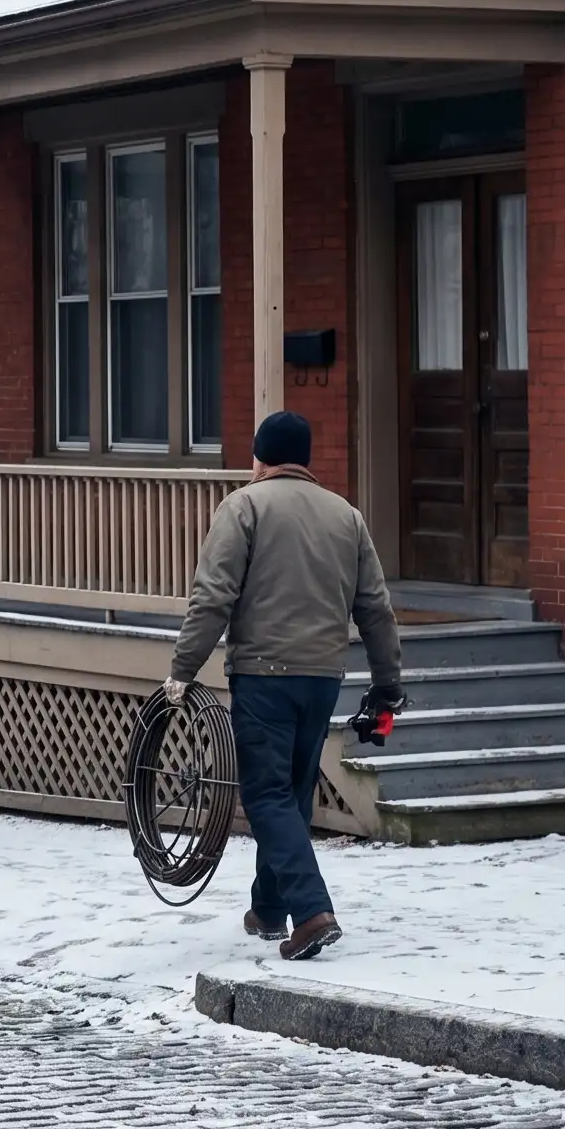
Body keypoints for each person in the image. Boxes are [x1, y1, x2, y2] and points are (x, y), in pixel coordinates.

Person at [165, 412, 404, 961]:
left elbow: (212, 597)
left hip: (264, 675)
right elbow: (376, 610)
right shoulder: (347, 515)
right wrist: (388, 685)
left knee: (266, 792)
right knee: (291, 790)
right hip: (323, 677)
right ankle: (269, 907)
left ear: (261, 457)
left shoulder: (244, 506)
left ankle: (312, 912)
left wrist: (182, 670)